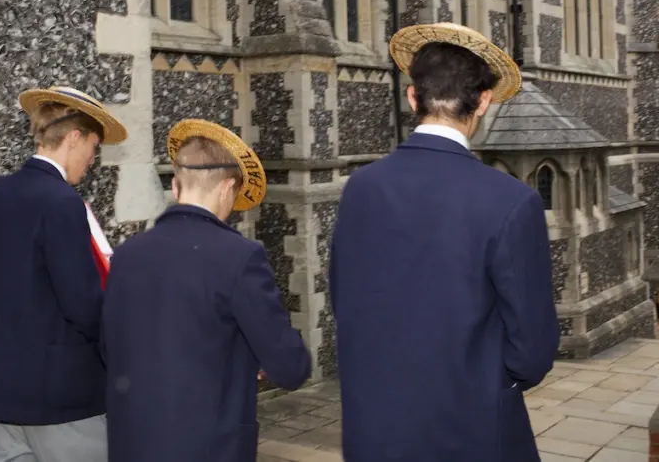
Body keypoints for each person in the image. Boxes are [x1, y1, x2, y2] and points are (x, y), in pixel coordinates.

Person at [330, 23, 560, 462]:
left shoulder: (361, 187)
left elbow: (346, 300)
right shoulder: (512, 201)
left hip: (377, 426)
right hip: (470, 428)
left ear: (413, 98)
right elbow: (532, 349)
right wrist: (490, 379)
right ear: (484, 101)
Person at [102, 119, 311, 462]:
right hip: (209, 446)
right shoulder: (241, 258)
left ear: (176, 184)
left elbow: (112, 349)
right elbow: (289, 365)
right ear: (227, 187)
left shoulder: (127, 255)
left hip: (133, 443)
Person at [0, 86, 128, 462]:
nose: (93, 159)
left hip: (0, 388)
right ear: (75, 138)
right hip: (58, 395)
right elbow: (81, 302)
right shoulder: (61, 200)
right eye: (94, 146)